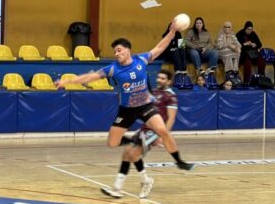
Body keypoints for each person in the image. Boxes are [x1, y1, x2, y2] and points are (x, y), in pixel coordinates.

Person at [55, 19, 193, 171]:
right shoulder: (113, 68)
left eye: (119, 50)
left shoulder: (141, 59)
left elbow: (160, 47)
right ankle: (135, 139)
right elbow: (89, 77)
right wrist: (67, 81)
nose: (116, 54)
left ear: (128, 50)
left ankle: (179, 161)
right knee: (113, 143)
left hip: (145, 104)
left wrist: (172, 32)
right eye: (115, 51)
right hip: (127, 109)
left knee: (162, 131)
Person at [102, 69, 178, 199]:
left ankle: (143, 182)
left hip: (154, 132)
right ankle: (118, 188)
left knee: (132, 153)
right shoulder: (153, 92)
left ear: (169, 81)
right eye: (158, 77)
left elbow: (171, 118)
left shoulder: (171, 96)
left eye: (163, 78)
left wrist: (162, 136)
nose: (159, 80)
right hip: (144, 129)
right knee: (127, 153)